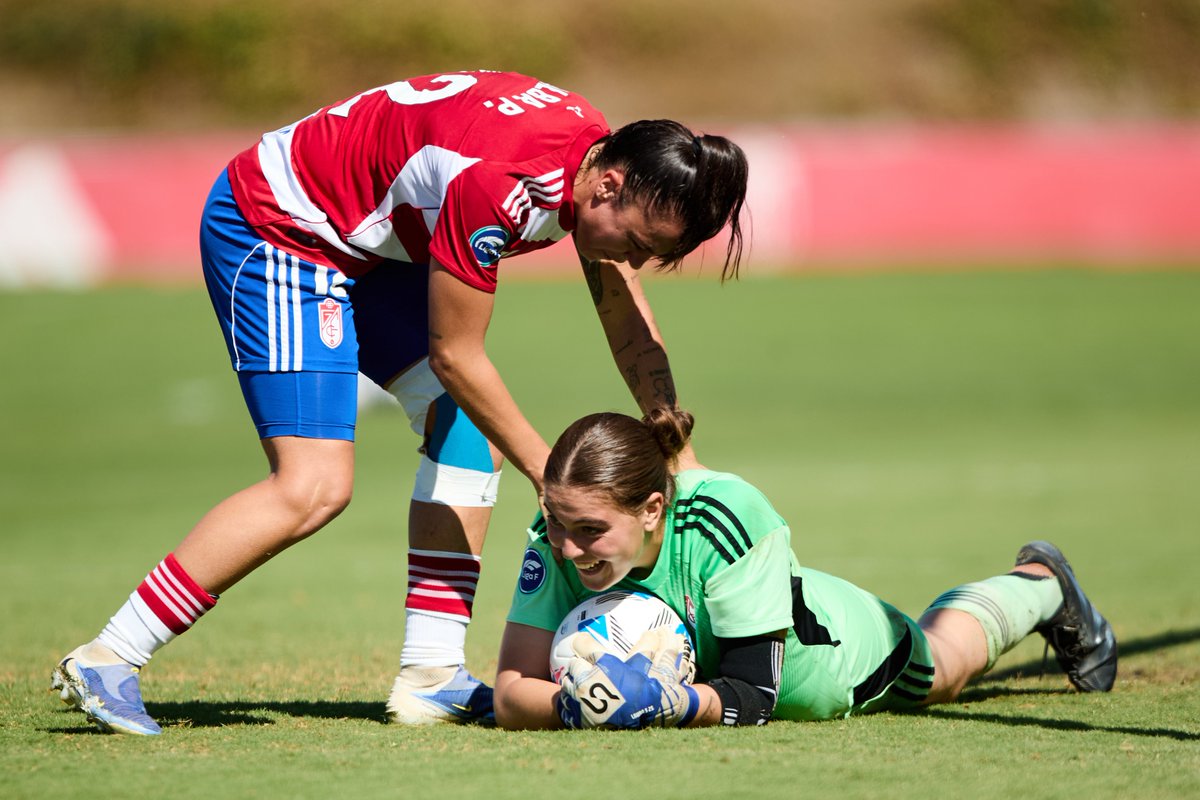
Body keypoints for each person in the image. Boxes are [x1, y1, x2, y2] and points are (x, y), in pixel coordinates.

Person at [50, 71, 749, 735]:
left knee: (467, 432)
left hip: (365, 247)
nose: (628, 257)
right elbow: (457, 354)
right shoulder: (499, 186)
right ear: (608, 185)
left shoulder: (591, 151)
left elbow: (622, 315)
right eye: (632, 240)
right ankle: (109, 656)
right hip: (280, 227)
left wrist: (676, 449)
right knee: (313, 484)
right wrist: (551, 476)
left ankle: (431, 673)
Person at [494, 408, 1118, 729]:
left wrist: (665, 704)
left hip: (831, 657)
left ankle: (1042, 583)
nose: (567, 549)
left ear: (653, 509)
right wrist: (581, 707)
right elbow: (511, 690)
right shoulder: (550, 535)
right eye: (557, 523)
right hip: (717, 672)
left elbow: (753, 697)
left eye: (590, 531)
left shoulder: (726, 516)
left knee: (945, 665)